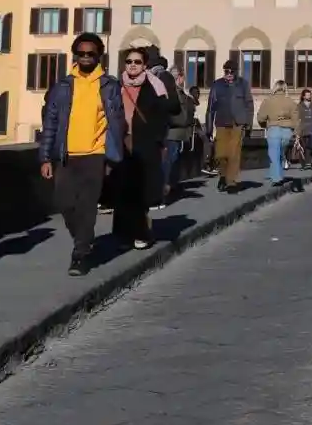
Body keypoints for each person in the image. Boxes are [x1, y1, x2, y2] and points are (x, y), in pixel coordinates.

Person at [40, 33, 129, 275]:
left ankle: (80, 255)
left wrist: (113, 154)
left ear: (99, 55)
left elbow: (118, 122)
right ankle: (84, 239)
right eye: (81, 53)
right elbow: (51, 122)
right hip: (66, 155)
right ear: (75, 55)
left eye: (91, 53)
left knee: (87, 206)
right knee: (65, 204)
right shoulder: (63, 86)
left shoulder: (109, 86)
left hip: (95, 155)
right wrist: (45, 157)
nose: (86, 57)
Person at [111, 47, 180, 248]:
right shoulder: (117, 86)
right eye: (129, 61)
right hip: (121, 142)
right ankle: (124, 234)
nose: (133, 65)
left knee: (142, 190)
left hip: (146, 143)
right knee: (123, 190)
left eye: (137, 62)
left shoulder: (154, 85)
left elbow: (166, 112)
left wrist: (159, 140)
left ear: (145, 65)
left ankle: (142, 232)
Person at [205, 60, 254, 193]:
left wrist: (248, 124)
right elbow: (210, 107)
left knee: (234, 153)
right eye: (227, 72)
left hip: (237, 123)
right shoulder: (217, 85)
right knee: (221, 154)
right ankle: (223, 176)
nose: (229, 74)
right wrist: (208, 127)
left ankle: (231, 183)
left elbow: (249, 105)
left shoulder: (243, 84)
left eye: (232, 72)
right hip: (221, 122)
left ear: (236, 72)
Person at [162, 66, 200, 203]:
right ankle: (167, 189)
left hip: (179, 133)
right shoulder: (172, 92)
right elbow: (175, 114)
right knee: (170, 162)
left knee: (175, 161)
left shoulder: (180, 92)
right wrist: (183, 121)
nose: (182, 79)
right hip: (173, 132)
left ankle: (173, 186)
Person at [257, 80, 299, 186]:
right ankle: (275, 174)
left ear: (274, 88)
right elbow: (296, 119)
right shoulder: (290, 102)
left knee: (273, 154)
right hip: (287, 131)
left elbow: (261, 117)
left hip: (273, 129)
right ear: (285, 88)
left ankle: (276, 178)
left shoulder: (268, 101)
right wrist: (295, 132)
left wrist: (265, 125)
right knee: (280, 153)